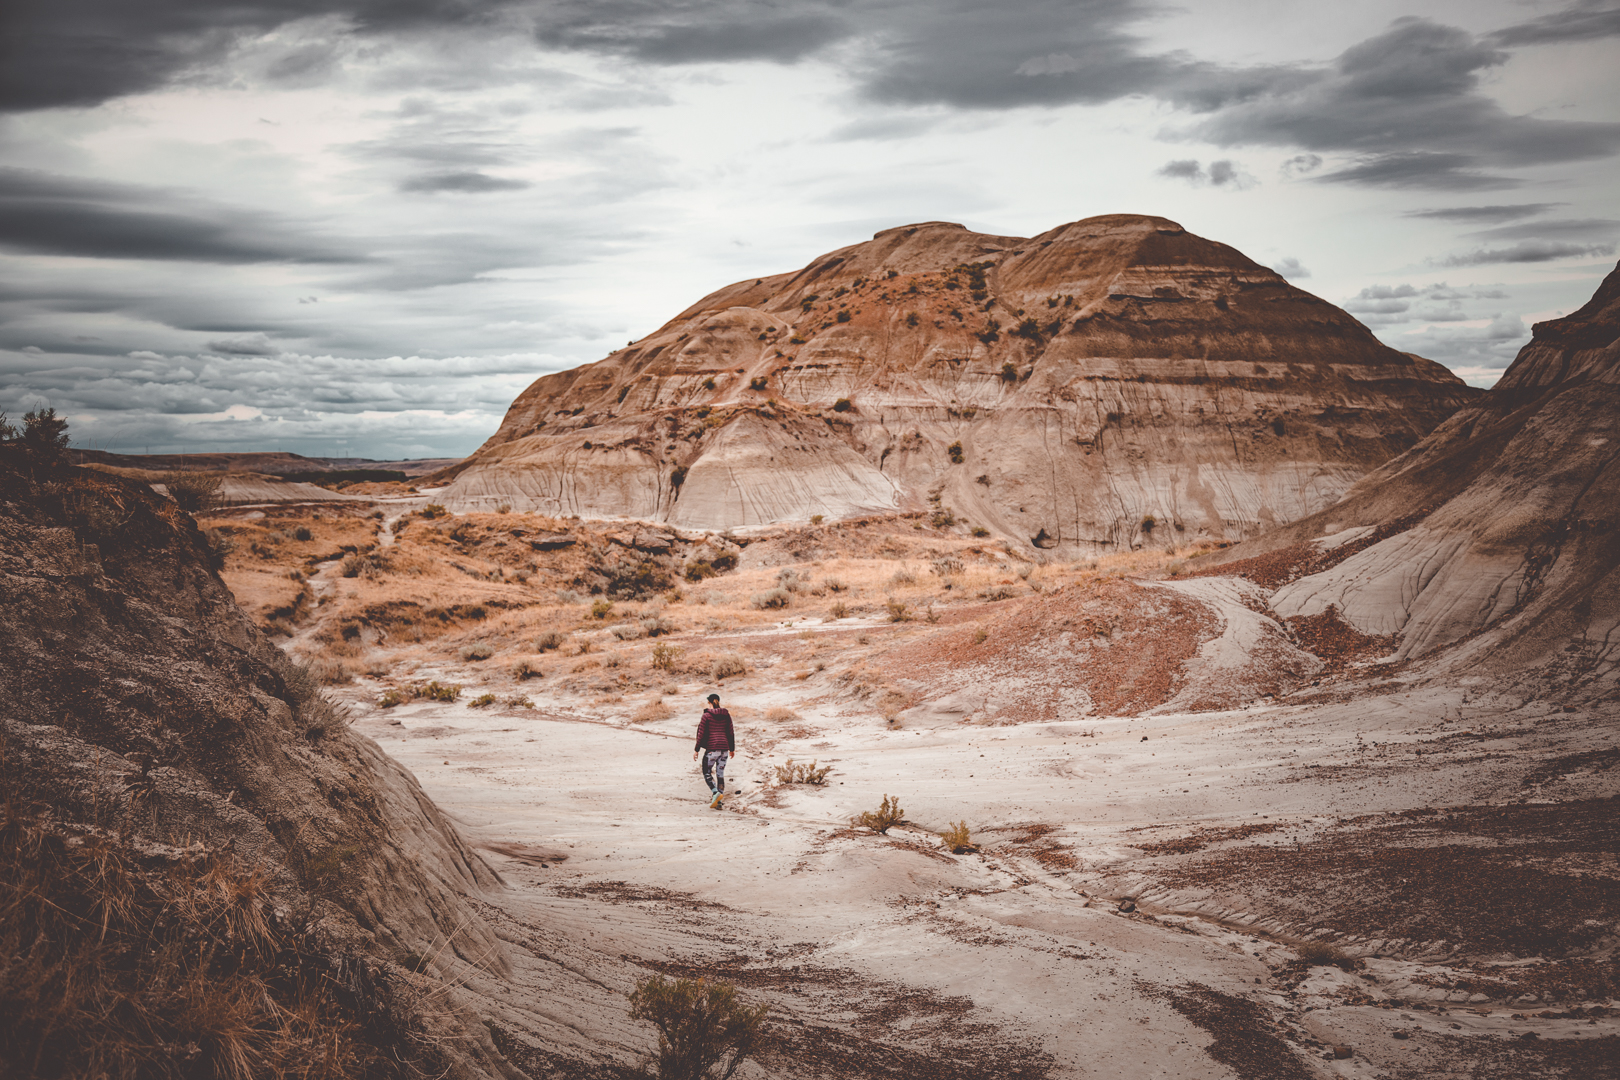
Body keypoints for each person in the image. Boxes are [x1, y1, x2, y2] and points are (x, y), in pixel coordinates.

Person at [693, 693, 735, 809]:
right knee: (720, 774)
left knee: (707, 773)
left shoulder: (706, 715)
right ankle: (719, 802)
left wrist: (696, 749)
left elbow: (701, 734)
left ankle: (715, 792)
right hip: (724, 750)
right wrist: (732, 749)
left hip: (712, 749)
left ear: (709, 702)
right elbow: (731, 732)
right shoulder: (726, 714)